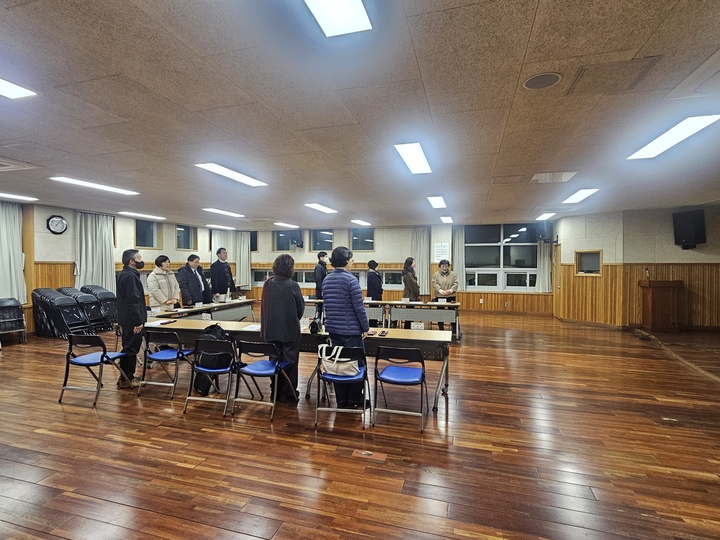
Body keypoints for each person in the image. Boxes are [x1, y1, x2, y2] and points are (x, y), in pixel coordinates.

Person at [322, 246, 370, 409]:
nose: (353, 261)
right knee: (356, 364)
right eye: (351, 259)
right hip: (351, 331)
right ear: (346, 261)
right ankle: (355, 399)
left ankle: (342, 400)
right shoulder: (351, 280)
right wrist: (365, 327)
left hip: (333, 329)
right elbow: (359, 308)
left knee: (338, 364)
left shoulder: (326, 279)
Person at [260, 254, 305, 403]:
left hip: (271, 330)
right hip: (289, 331)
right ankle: (289, 393)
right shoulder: (292, 285)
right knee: (290, 363)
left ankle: (276, 392)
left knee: (274, 361)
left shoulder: (268, 284)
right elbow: (300, 309)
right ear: (289, 268)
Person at [115, 249, 146, 389]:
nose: (141, 260)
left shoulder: (127, 274)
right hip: (131, 321)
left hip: (128, 319)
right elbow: (133, 301)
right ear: (131, 261)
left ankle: (126, 377)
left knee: (130, 347)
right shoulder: (129, 277)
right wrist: (138, 321)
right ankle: (127, 378)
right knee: (130, 349)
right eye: (139, 258)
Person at [432, 259, 459, 331]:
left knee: (452, 313)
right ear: (440, 266)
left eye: (446, 266)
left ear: (448, 266)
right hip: (440, 296)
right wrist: (441, 291)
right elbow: (434, 283)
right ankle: (441, 328)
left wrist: (450, 291)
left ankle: (455, 329)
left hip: (451, 296)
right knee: (440, 313)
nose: (444, 268)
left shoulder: (453, 274)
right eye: (443, 266)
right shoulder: (436, 274)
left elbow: (456, 283)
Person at [402, 256, 420, 329]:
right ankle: (408, 328)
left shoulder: (409, 273)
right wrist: (417, 294)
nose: (415, 264)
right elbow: (413, 285)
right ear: (410, 264)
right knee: (409, 314)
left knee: (410, 314)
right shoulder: (408, 274)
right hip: (410, 296)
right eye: (413, 262)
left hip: (410, 295)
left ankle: (408, 327)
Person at [366, 260, 383, 327]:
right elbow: (376, 285)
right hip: (374, 296)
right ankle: (373, 326)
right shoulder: (372, 274)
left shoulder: (372, 274)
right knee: (373, 312)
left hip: (373, 296)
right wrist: (381, 290)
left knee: (373, 312)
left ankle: (373, 325)